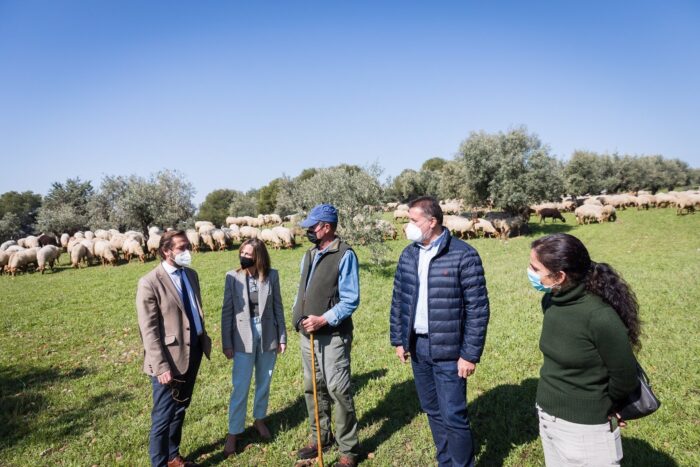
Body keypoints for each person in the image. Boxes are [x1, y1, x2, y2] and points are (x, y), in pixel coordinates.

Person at [389, 196, 490, 467]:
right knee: (433, 410)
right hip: (418, 347)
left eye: (413, 220)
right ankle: (445, 462)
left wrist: (469, 354)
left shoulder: (463, 254)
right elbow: (399, 298)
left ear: (432, 222)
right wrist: (399, 339)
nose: (407, 226)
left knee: (453, 415)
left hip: (450, 350)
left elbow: (477, 309)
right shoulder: (409, 254)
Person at [529, 233, 641, 466]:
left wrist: (601, 405)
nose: (530, 273)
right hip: (548, 418)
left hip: (585, 430)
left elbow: (625, 376)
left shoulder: (600, 317)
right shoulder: (551, 302)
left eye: (535, 268)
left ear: (559, 276)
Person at [292, 203, 361, 467]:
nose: (308, 230)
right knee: (313, 387)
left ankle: (348, 449)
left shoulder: (345, 255)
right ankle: (319, 437)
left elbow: (351, 300)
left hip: (332, 336)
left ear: (327, 227)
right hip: (306, 335)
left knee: (337, 389)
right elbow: (303, 291)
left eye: (313, 226)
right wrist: (298, 315)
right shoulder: (309, 254)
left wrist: (323, 319)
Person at [136, 230, 212, 467]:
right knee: (163, 416)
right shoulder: (149, 282)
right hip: (169, 359)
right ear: (166, 251)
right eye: (181, 248)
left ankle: (173, 456)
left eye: (188, 246)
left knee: (180, 408)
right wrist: (160, 366)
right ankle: (158, 463)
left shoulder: (191, 274)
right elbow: (148, 330)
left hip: (194, 350)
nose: (187, 251)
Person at [220, 238, 287, 457]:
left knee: (264, 381)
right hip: (242, 337)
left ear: (258, 256)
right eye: (243, 253)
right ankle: (234, 431)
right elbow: (227, 311)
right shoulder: (233, 277)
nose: (245, 257)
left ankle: (259, 419)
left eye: (249, 254)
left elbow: (278, 307)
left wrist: (282, 337)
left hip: (267, 333)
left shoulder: (272, 276)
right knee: (240, 385)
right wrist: (227, 342)